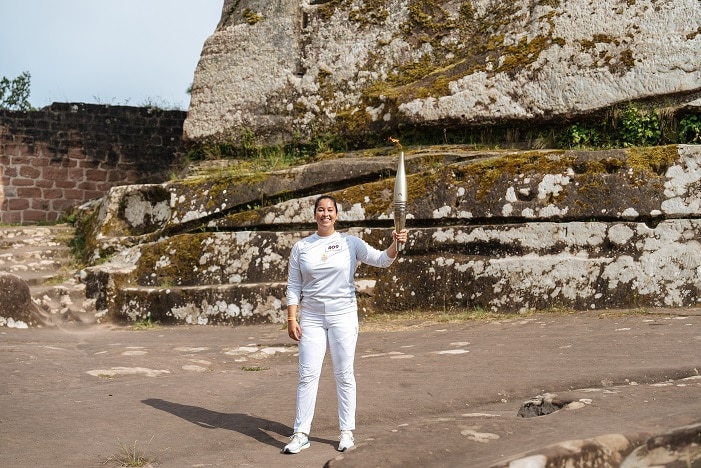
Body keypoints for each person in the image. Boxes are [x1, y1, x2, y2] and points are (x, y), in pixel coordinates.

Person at [282, 195, 408, 454]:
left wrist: (396, 243)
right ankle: (300, 433)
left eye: (330, 210)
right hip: (312, 318)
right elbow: (294, 286)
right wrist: (291, 318)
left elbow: (382, 259)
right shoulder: (302, 247)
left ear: (336, 215)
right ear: (314, 214)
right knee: (307, 376)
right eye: (320, 210)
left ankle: (346, 431)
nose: (325, 214)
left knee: (343, 374)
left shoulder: (350, 243)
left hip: (343, 316)